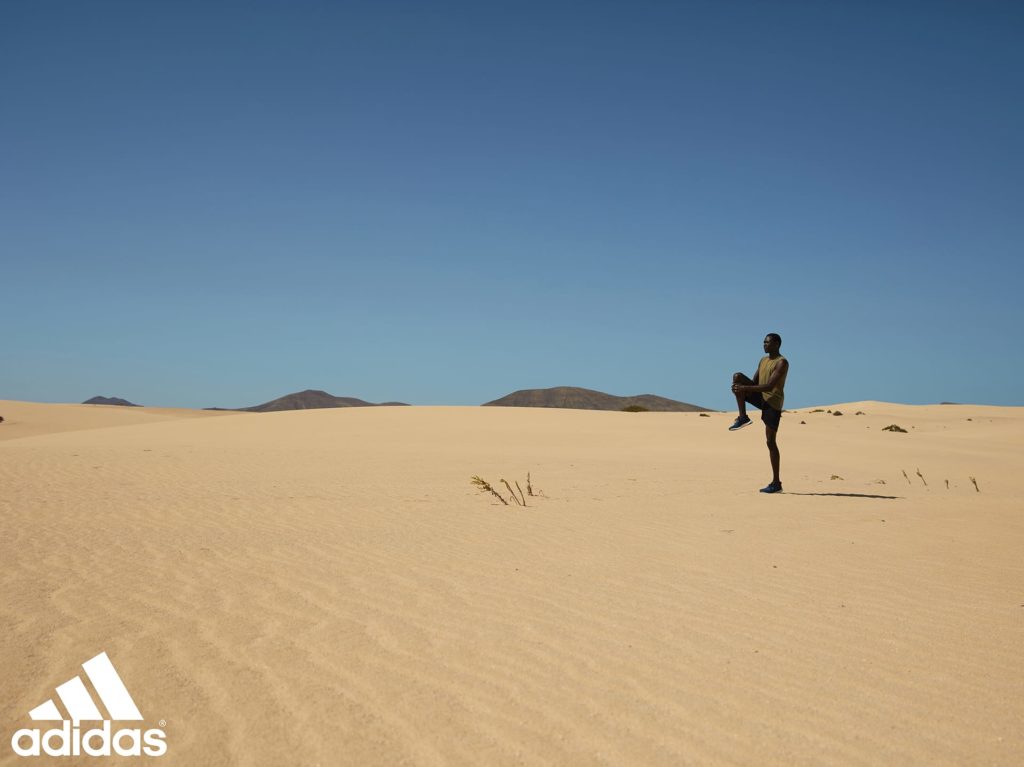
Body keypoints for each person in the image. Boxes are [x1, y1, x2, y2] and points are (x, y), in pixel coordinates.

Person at [730, 333, 789, 493]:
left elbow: (769, 386)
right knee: (738, 377)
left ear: (776, 344)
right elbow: (755, 383)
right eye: (763, 342)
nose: (764, 345)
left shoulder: (781, 362)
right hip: (761, 397)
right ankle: (743, 417)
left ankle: (776, 483)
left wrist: (744, 389)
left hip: (772, 403)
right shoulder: (763, 360)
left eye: (767, 342)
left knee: (770, 442)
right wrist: (740, 388)